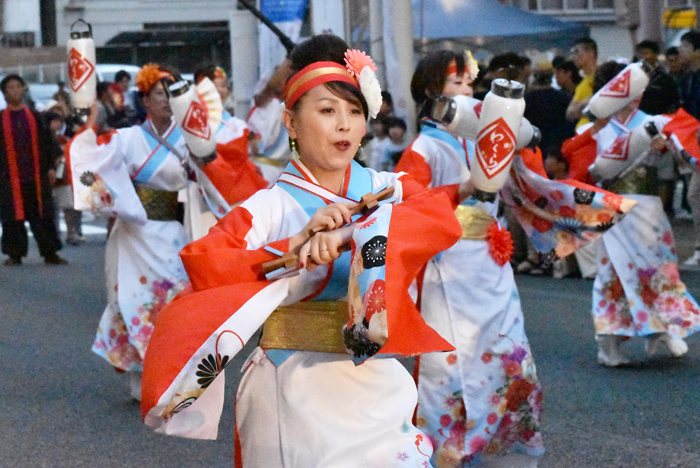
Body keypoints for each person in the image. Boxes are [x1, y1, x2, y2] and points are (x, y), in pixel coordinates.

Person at [140, 35, 474, 467]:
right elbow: (205, 263)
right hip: (294, 386)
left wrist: (352, 231)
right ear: (291, 122)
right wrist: (292, 246)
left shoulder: (385, 189)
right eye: (327, 110)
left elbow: (432, 214)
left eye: (355, 112)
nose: (344, 125)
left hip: (378, 380)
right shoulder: (267, 207)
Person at [395, 48, 544, 468]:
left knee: (508, 354)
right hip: (448, 269)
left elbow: (527, 178)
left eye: (467, 83)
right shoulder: (425, 147)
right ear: (432, 91)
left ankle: (506, 448)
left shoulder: (485, 138)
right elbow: (410, 206)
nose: (466, 91)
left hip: (492, 264)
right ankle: (447, 451)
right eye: (455, 83)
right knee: (447, 369)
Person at [68, 64, 232, 399]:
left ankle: (172, 373)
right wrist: (86, 127)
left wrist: (202, 166)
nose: (166, 100)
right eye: (159, 93)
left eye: (172, 94)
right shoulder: (127, 139)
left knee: (176, 301)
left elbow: (211, 177)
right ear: (144, 99)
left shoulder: (187, 139)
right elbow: (94, 166)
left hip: (171, 231)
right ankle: (140, 378)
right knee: (134, 303)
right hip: (134, 235)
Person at [561, 63, 700, 365]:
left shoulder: (653, 122)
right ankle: (608, 343)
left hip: (647, 207)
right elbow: (578, 163)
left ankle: (660, 331)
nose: (633, 98)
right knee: (612, 276)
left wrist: (668, 149)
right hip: (609, 206)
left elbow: (685, 153)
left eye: (637, 92)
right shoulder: (592, 127)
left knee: (661, 269)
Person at [0, 74, 66, 266]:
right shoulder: (1, 120)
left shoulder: (34, 116)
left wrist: (51, 168)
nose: (14, 90)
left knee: (43, 215)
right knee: (12, 217)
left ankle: (50, 252)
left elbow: (47, 143)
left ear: (23, 89)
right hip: (9, 178)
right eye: (10, 87)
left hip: (36, 176)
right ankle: (15, 254)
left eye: (17, 86)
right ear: (4, 93)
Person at [678, 31, 700, 266]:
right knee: (694, 194)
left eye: (685, 46)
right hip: (693, 142)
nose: (681, 50)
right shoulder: (688, 77)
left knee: (695, 194)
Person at [566, 37, 598, 129]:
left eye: (577, 52)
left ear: (591, 53)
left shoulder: (602, 76)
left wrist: (580, 106)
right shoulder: (582, 84)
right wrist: (586, 103)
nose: (573, 57)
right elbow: (570, 113)